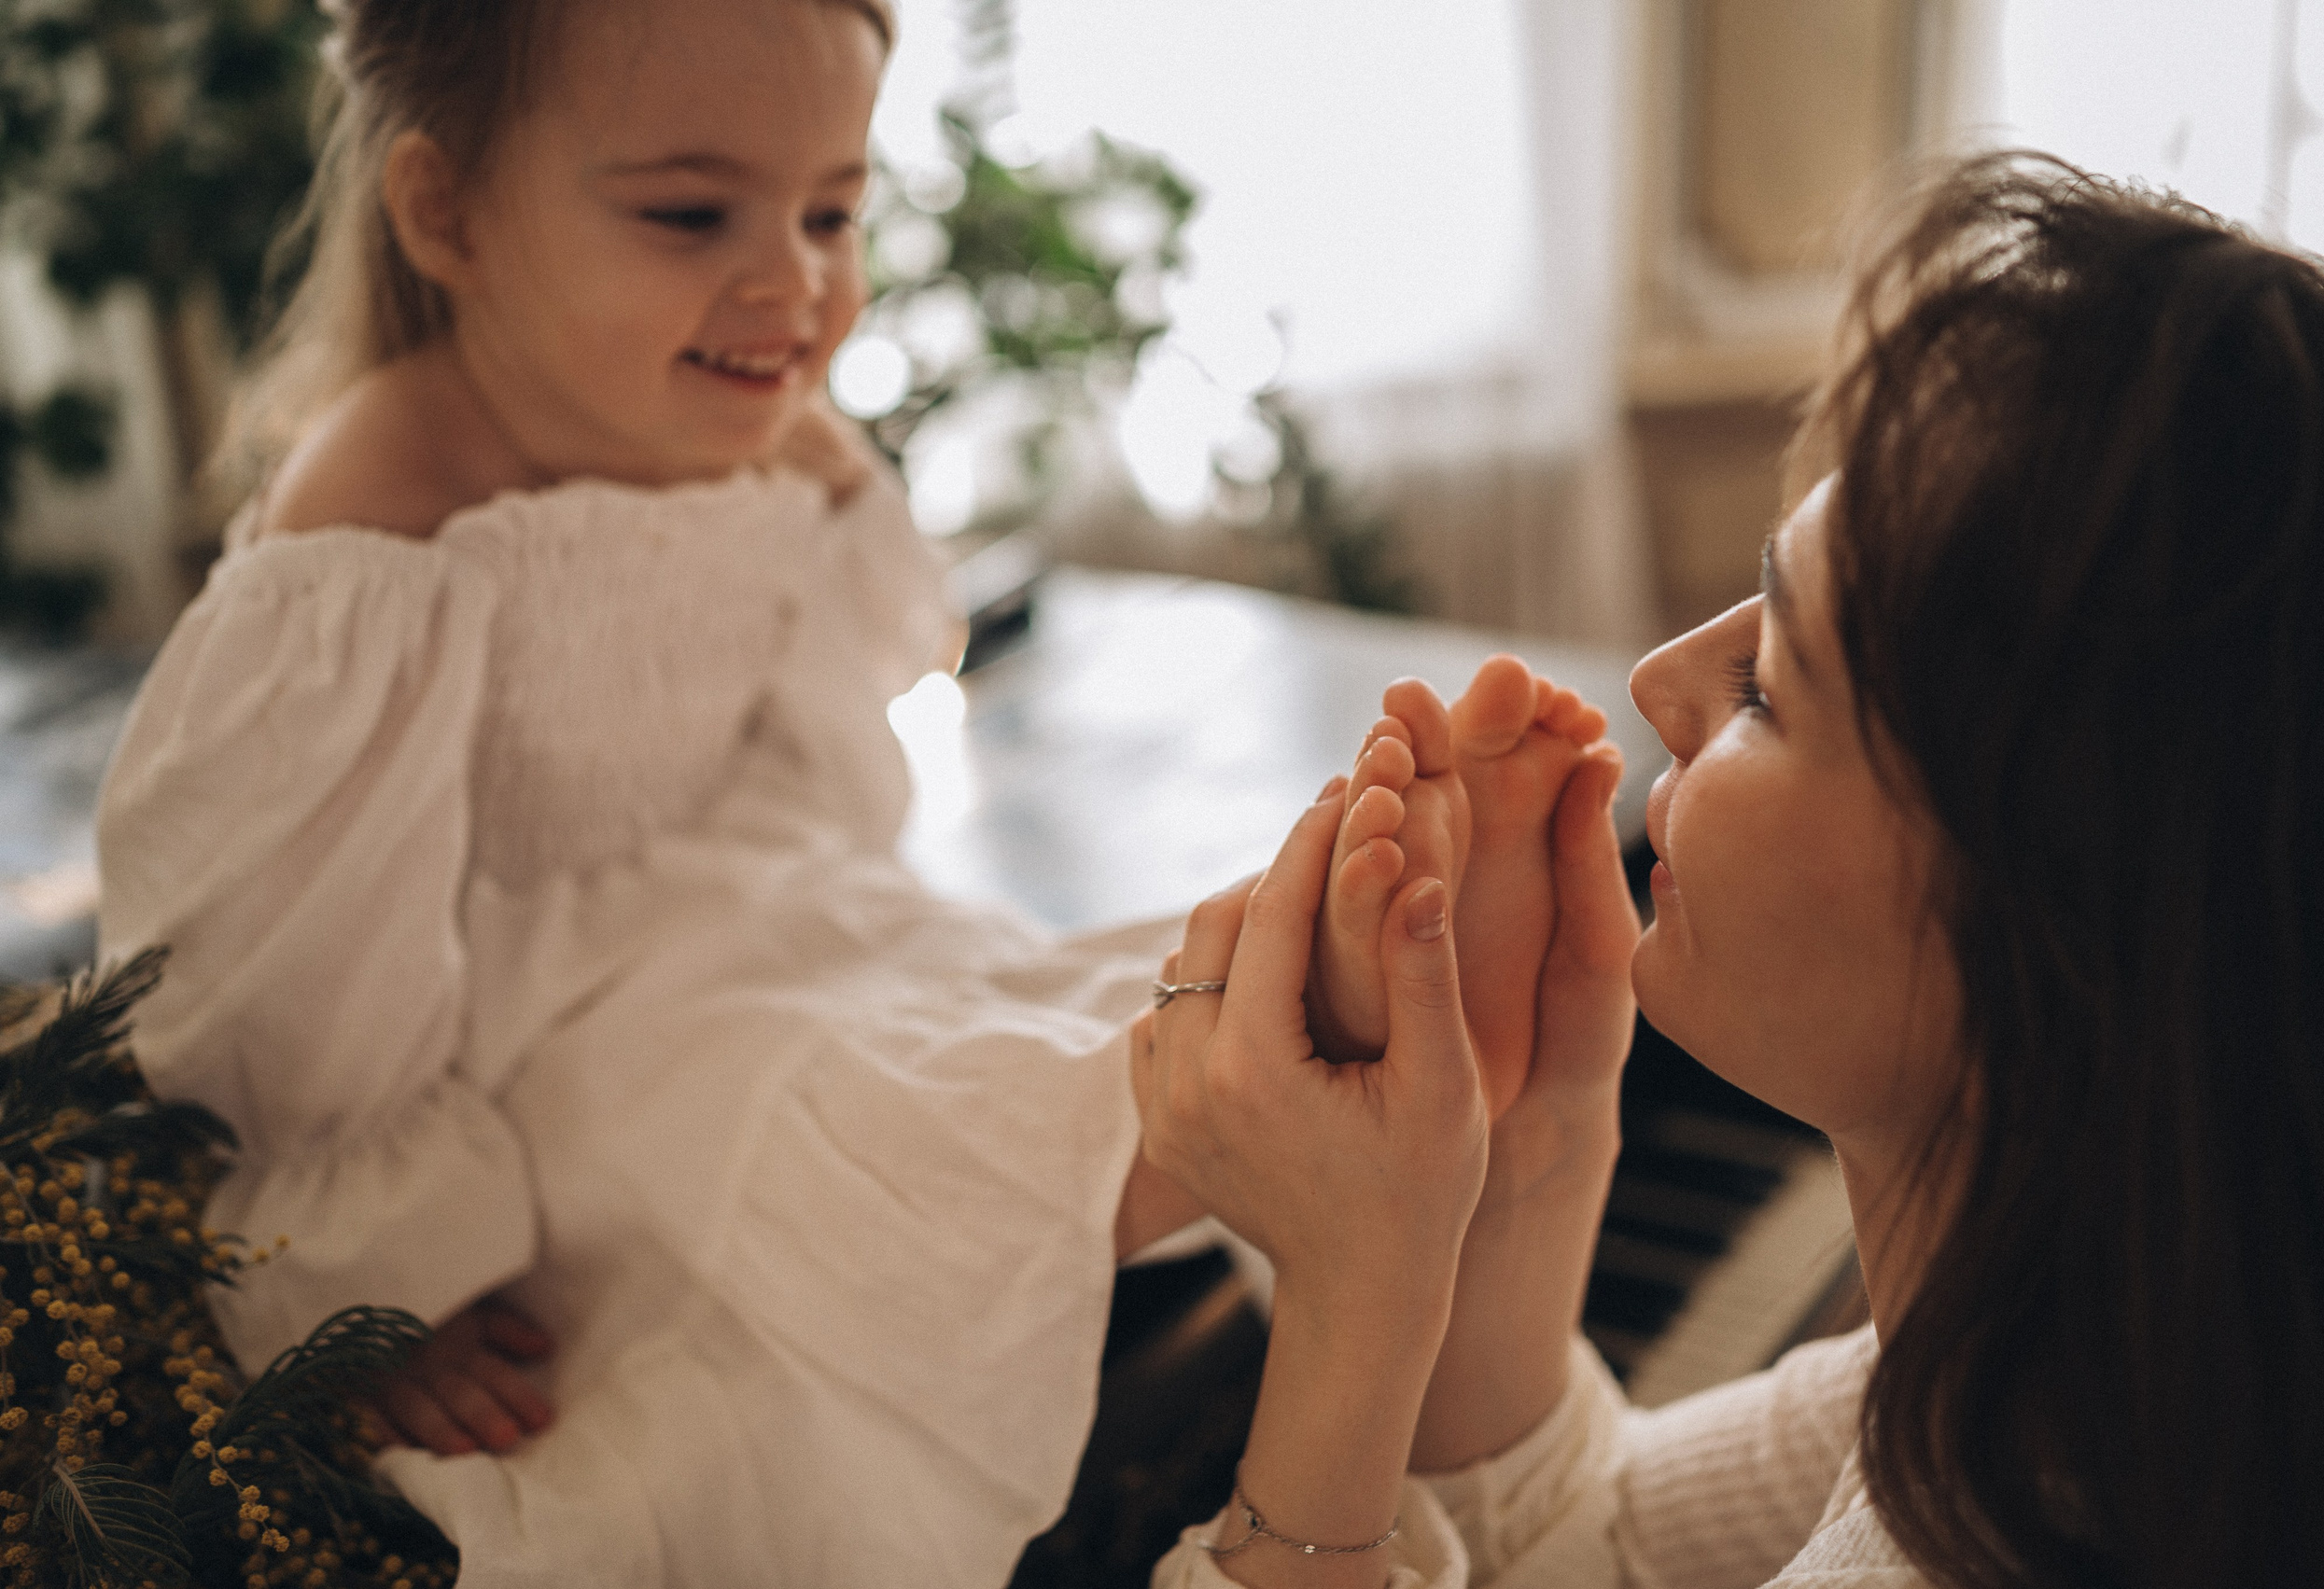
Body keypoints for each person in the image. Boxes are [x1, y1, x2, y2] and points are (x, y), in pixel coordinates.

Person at [92, 0, 1609, 1581]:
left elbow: (829, 771)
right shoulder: (383, 504)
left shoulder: (747, 430)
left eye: (831, 210)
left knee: (985, 988)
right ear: (445, 212)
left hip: (768, 898)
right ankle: (1259, 1089)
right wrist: (362, 1272)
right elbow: (278, 955)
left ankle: (1279, 1001)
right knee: (814, 1110)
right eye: (692, 214)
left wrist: (823, 511)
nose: (794, 282)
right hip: (510, 1015)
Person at [1139, 155, 2324, 1589]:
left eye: (1770, 684)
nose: (1664, 682)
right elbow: (1597, 1551)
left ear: (2051, 922)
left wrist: (1350, 1304)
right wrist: (1527, 1148)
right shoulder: (2090, 1373)